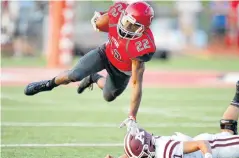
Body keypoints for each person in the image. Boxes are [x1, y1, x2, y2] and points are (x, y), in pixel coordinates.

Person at [24, 1, 156, 128]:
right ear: (124, 15)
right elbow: (99, 23)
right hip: (105, 54)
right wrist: (99, 21)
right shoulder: (117, 12)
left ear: (143, 29)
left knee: (108, 96)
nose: (127, 27)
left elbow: (136, 83)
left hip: (122, 71)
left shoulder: (143, 46)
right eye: (127, 21)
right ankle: (48, 84)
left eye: (133, 26)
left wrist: (132, 116)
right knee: (74, 74)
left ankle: (94, 78)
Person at [103, 76, 239, 158]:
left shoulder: (164, 154)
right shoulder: (150, 146)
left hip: (211, 148)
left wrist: (208, 157)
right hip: (201, 145)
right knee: (227, 132)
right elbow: (133, 156)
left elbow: (202, 143)